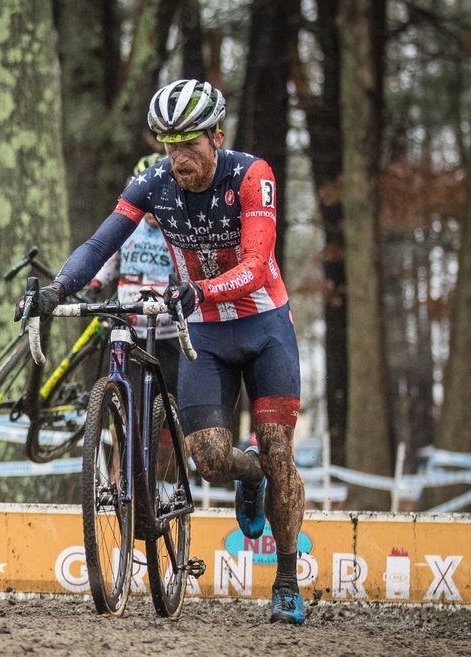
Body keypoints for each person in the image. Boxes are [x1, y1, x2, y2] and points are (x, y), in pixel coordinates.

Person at [18, 79, 307, 625]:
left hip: (264, 324)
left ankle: (287, 579)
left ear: (216, 137)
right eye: (168, 143)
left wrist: (202, 289)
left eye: (189, 143)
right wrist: (58, 289)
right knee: (210, 460)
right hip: (205, 332)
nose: (178, 157)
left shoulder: (251, 175)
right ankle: (252, 477)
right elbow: (102, 243)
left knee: (278, 449)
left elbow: (255, 260)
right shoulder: (154, 182)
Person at [90, 152, 182, 401]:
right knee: (126, 393)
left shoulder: (177, 227)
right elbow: (110, 257)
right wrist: (96, 282)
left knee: (170, 393)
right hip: (129, 322)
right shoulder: (128, 224)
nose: (151, 207)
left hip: (168, 328)